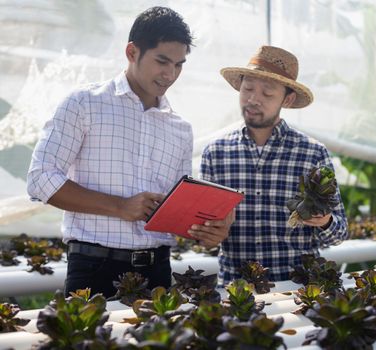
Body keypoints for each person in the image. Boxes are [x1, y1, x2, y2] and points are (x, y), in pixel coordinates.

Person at [27, 6, 204, 298]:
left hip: (158, 269)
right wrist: (120, 206)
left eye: (179, 64)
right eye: (162, 61)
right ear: (132, 52)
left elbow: (175, 208)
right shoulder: (83, 103)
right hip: (94, 268)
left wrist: (206, 227)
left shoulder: (181, 128)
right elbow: (40, 179)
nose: (170, 74)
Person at [191, 46, 348, 285]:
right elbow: (204, 231)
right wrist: (208, 236)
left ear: (287, 98)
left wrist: (325, 221)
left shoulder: (313, 153)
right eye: (248, 89)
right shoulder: (216, 153)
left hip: (298, 290)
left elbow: (339, 233)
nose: (254, 99)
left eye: (267, 93)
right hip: (237, 291)